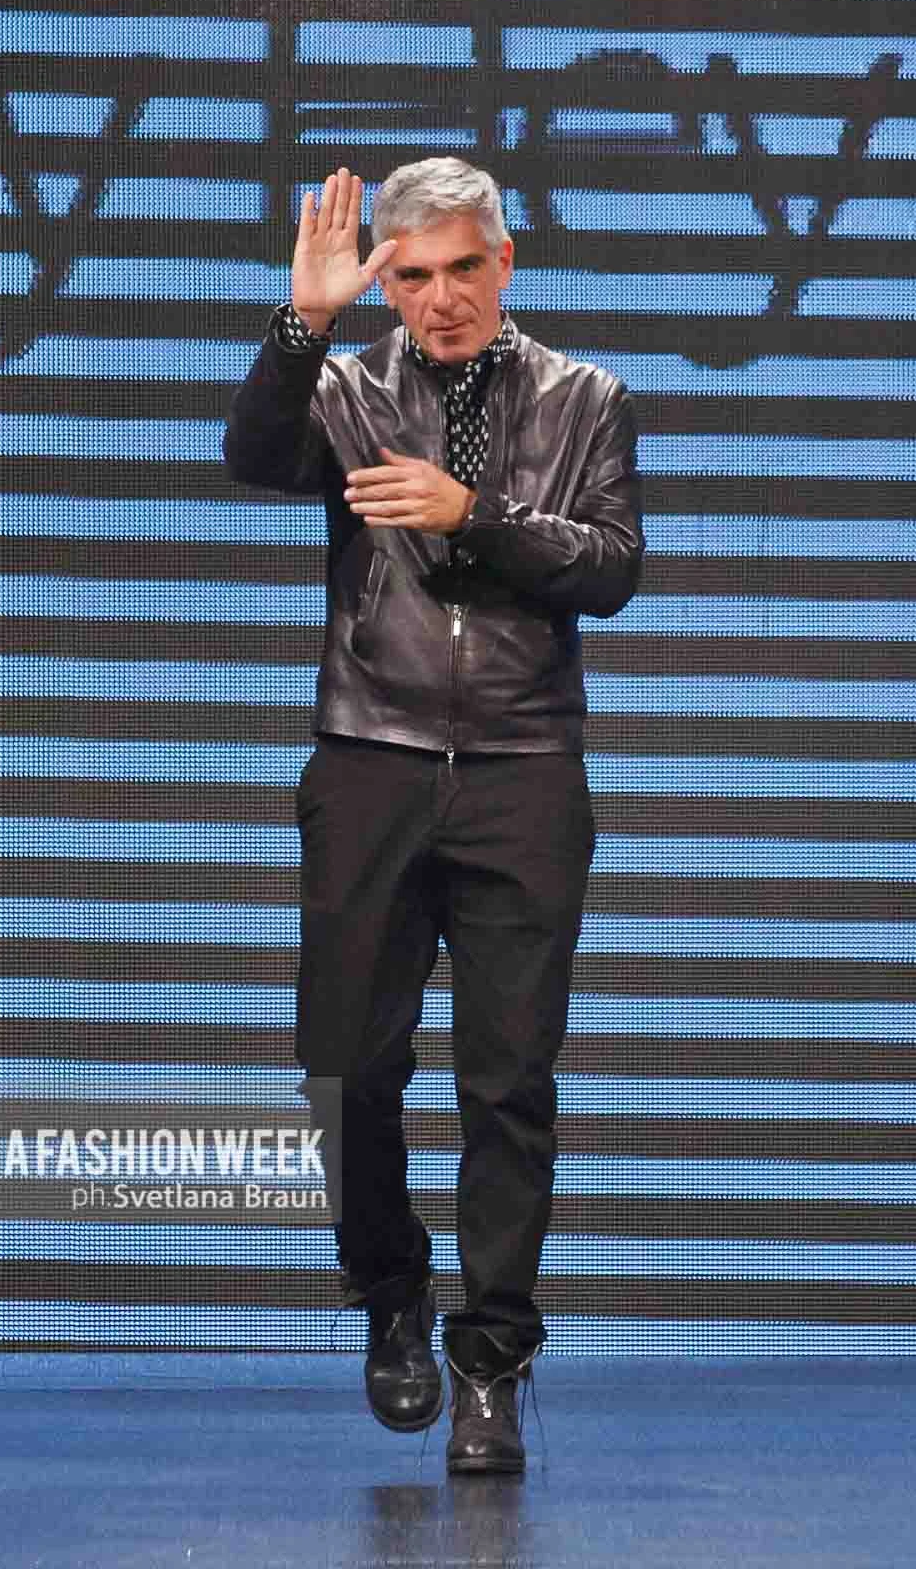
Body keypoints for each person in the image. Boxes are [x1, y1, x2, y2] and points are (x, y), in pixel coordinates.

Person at [222, 157, 643, 1472]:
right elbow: (253, 457)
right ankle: (391, 1289)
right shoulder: (345, 391)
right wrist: (304, 323)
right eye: (412, 277)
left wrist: (479, 515)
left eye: (465, 268)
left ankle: (492, 1363)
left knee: (510, 1082)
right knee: (345, 1068)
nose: (443, 298)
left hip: (524, 771)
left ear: (505, 262)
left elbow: (612, 566)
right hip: (372, 763)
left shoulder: (585, 397)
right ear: (386, 284)